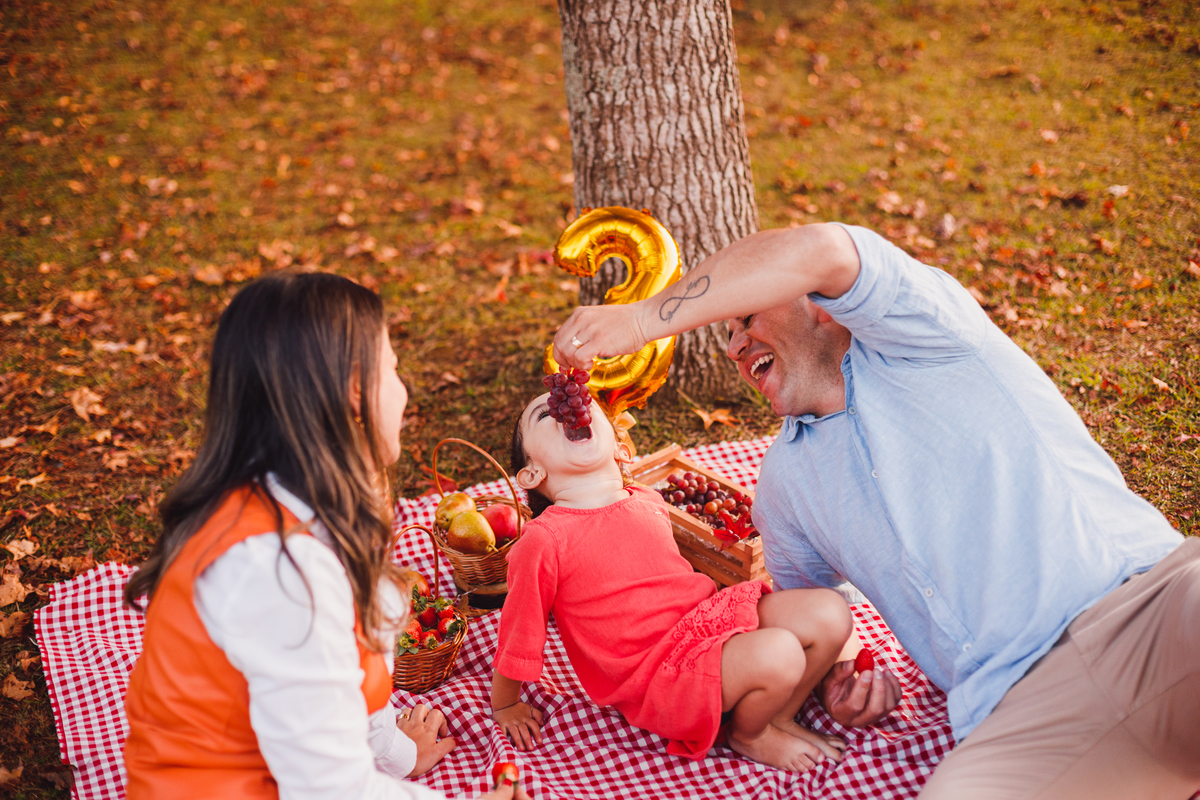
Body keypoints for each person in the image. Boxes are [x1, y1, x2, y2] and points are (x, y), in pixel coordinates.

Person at [550, 221, 1200, 799]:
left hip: (1145, 609)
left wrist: (640, 321)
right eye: (728, 335)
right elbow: (814, 615)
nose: (734, 346)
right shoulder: (785, 486)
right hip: (1019, 717)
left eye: (746, 316)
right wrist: (844, 679)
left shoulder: (928, 337)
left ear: (822, 308)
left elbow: (822, 248)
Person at [122, 272, 528, 800]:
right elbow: (327, 790)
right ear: (354, 394)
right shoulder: (284, 572)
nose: (404, 391)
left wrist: (398, 755)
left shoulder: (281, 504)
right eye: (394, 369)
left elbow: (328, 690)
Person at [492, 390, 864, 772]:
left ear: (620, 447)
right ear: (532, 474)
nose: (562, 407)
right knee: (780, 652)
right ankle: (750, 734)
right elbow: (519, 627)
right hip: (658, 675)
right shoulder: (544, 538)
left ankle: (778, 716)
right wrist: (505, 703)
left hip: (703, 621)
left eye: (579, 402)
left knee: (830, 612)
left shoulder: (647, 499)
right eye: (542, 415)